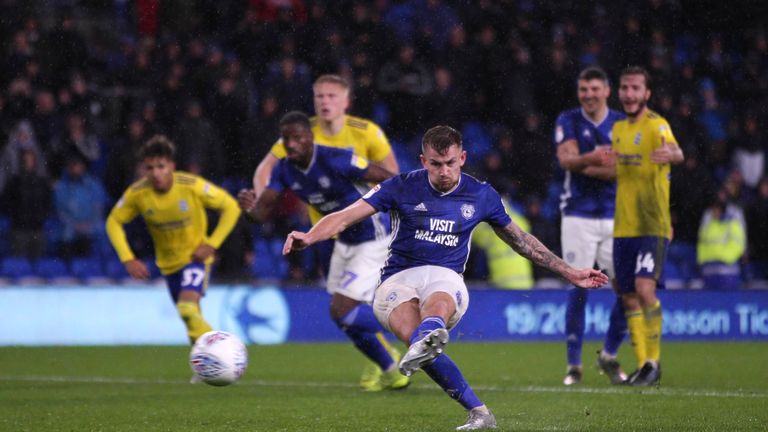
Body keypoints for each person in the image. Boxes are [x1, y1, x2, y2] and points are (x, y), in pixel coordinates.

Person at [282, 125, 609, 430]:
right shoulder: (401, 185)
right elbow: (345, 216)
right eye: (436, 164)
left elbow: (521, 241)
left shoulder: (481, 195)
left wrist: (570, 271)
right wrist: (310, 236)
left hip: (446, 277)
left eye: (451, 163)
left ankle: (431, 330)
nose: (444, 171)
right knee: (417, 342)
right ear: (423, 161)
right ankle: (479, 411)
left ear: (462, 158)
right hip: (397, 278)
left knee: (435, 304)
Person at [238, 111, 408, 392]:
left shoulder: (336, 157)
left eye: (298, 138)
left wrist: (409, 205)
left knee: (343, 310)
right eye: (286, 139)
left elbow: (387, 178)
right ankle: (391, 369)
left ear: (310, 138)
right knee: (342, 318)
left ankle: (410, 326)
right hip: (340, 238)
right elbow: (262, 211)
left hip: (372, 235)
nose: (291, 144)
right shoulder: (284, 169)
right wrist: (249, 211)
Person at [106, 135, 241, 345]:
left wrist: (212, 244)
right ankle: (205, 366)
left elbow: (231, 207)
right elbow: (113, 221)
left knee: (186, 308)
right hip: (168, 266)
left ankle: (226, 348)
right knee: (190, 318)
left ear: (172, 166)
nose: (156, 173)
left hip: (194, 258)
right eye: (150, 168)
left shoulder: (190, 185)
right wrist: (127, 258)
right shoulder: (138, 193)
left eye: (161, 166)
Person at [608, 66, 684, 386]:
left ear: (647, 93)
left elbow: (676, 152)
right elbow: (617, 169)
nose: (629, 93)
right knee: (627, 296)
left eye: (635, 88)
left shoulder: (657, 125)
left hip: (653, 223)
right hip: (624, 225)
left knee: (644, 289)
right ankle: (643, 367)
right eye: (625, 87)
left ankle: (654, 361)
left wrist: (673, 153)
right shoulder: (618, 130)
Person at [553, 66, 628, 386]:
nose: (589, 95)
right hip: (578, 215)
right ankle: (574, 365)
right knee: (578, 286)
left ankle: (609, 354)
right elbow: (565, 160)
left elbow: (622, 171)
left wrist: (585, 161)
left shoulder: (622, 125)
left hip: (616, 215)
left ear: (607, 91)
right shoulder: (567, 119)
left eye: (595, 89)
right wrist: (597, 158)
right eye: (584, 89)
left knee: (627, 289)